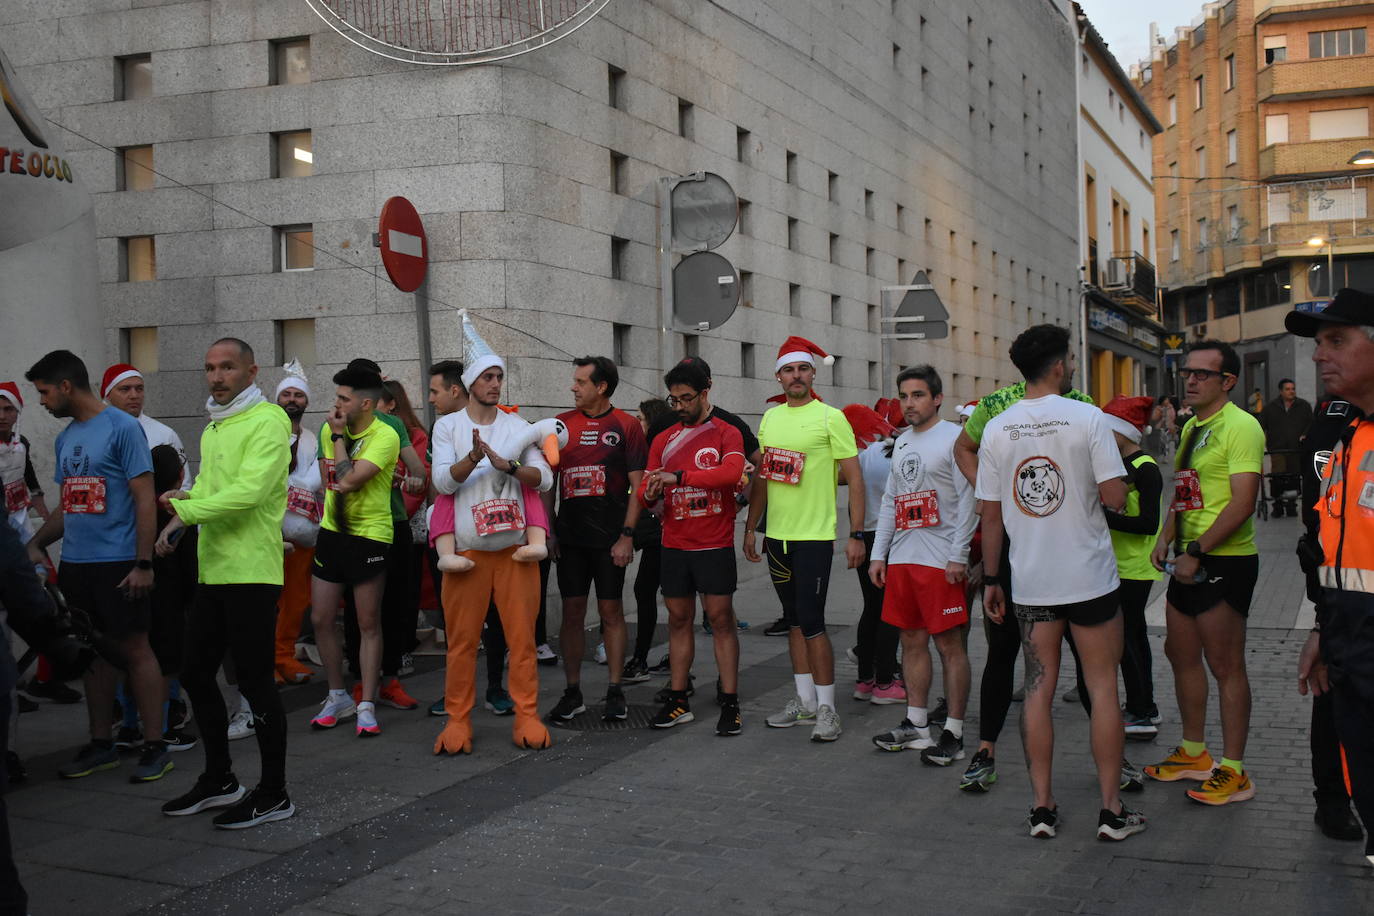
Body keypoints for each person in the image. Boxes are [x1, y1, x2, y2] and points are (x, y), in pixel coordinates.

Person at [976, 324, 1143, 841]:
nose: (1072, 366)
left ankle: (1042, 808)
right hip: (1090, 577)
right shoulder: (1088, 417)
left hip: (1032, 581)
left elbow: (990, 516)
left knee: (1037, 689)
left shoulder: (997, 428)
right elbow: (1114, 497)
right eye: (1070, 359)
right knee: (1103, 688)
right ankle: (1111, 811)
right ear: (1056, 366)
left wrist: (992, 579)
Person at [154, 337, 295, 828]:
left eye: (228, 367)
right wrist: (183, 507)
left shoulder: (268, 420)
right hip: (213, 571)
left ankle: (274, 793)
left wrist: (186, 510)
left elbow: (249, 493)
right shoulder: (216, 424)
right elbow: (213, 491)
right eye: (210, 367)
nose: (216, 376)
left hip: (252, 572)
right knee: (195, 674)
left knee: (255, 683)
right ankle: (219, 779)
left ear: (251, 372)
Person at [23, 350, 169, 783]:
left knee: (136, 650)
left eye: (45, 392)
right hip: (77, 564)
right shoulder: (67, 438)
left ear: (66, 386)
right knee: (94, 655)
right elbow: (69, 505)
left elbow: (145, 500)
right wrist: (35, 543)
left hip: (120, 562)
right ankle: (101, 744)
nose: (42, 402)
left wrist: (144, 563)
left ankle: (155, 745)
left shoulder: (123, 428)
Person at [950, 375, 1097, 792]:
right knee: (1003, 653)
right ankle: (986, 751)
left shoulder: (1081, 403)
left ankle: (1112, 757)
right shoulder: (997, 403)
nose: (1070, 366)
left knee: (1087, 662)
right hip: (1018, 553)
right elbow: (962, 447)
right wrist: (989, 491)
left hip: (1068, 550)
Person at [1144, 340, 1263, 807]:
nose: (1190, 381)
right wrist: (1165, 536)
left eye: (1201, 374)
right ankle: (1194, 753)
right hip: (1187, 558)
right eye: (1187, 373)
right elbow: (1186, 491)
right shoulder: (1193, 425)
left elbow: (1243, 503)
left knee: (1226, 665)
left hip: (1224, 560)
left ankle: (1234, 770)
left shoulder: (1241, 426)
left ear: (1227, 381)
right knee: (1180, 654)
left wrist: (1196, 550)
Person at [430, 316, 552, 754]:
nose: (496, 384)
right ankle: (457, 720)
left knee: (522, 642)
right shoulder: (447, 427)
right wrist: (472, 458)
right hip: (467, 555)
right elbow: (442, 483)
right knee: (462, 645)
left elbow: (544, 479)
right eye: (488, 377)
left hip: (515, 553)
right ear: (469, 383)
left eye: (499, 376)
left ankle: (527, 715)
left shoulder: (518, 426)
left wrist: (509, 466)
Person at [1285, 286, 1374, 865]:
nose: (1319, 355)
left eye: (1337, 340)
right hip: (1348, 644)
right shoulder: (1346, 434)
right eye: (1319, 343)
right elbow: (1336, 548)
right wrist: (1324, 628)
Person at [746, 335, 864, 742]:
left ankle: (828, 709)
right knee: (794, 621)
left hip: (814, 537)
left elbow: (855, 479)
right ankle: (805, 701)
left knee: (813, 622)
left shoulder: (831, 418)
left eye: (802, 369)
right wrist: (750, 528)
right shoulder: (770, 419)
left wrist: (856, 534)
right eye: (788, 370)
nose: (795, 376)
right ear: (778, 377)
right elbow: (764, 478)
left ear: (813, 374)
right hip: (777, 537)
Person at [868, 367, 977, 765]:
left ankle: (954, 732)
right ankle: (916, 725)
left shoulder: (954, 439)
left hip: (940, 560)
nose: (909, 403)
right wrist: (879, 553)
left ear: (937, 398)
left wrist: (959, 554)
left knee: (949, 645)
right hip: (904, 557)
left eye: (917, 395)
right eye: (903, 396)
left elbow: (969, 500)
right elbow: (891, 500)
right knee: (911, 641)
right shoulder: (901, 442)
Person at [638, 360, 747, 734]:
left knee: (720, 619)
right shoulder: (663, 438)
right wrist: (651, 492)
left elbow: (731, 473)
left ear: (705, 392)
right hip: (674, 544)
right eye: (674, 399)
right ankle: (678, 699)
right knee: (678, 620)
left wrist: (680, 477)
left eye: (687, 398)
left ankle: (730, 702)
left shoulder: (727, 432)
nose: (680, 406)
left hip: (714, 543)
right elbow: (646, 489)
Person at [102, 363, 198, 753]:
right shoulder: (98, 433)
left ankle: (164, 714)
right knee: (124, 640)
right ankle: (128, 721)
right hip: (115, 549)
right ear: (107, 394)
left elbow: (184, 487)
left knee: (159, 639)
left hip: (159, 550)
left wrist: (171, 528)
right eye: (125, 389)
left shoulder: (164, 434)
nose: (134, 395)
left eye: (139, 388)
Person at [547, 356, 647, 723]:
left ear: (601, 386)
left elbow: (639, 488)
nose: (573, 387)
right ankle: (572, 692)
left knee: (611, 612)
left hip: (610, 539)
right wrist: (549, 530)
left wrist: (627, 536)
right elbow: (549, 482)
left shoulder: (627, 425)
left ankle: (615, 690)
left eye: (580, 382)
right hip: (571, 538)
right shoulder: (560, 425)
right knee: (572, 613)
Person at [308, 366, 402, 737]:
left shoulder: (385, 434)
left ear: (365, 404)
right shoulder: (329, 429)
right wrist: (334, 437)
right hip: (333, 532)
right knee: (321, 618)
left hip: (369, 535)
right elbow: (327, 479)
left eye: (344, 399)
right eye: (337, 397)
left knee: (367, 622)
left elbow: (346, 481)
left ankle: (367, 703)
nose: (336, 405)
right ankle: (337, 695)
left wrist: (337, 437)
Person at [337, 359, 425, 715]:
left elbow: (417, 469)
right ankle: (361, 681)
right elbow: (335, 477)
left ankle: (389, 680)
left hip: (394, 522)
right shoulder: (337, 427)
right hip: (355, 527)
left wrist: (412, 478)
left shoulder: (392, 424)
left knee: (397, 605)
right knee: (358, 610)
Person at [1295, 391, 1364, 842]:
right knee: (1333, 698)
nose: (1322, 358)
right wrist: (1322, 617)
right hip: (1346, 604)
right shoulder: (1335, 419)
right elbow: (1320, 519)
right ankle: (1333, 800)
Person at [1098, 396, 1164, 739]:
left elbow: (1149, 524)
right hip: (1117, 565)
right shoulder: (1117, 465)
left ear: (1125, 432)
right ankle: (1144, 705)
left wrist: (1103, 518)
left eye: (1108, 430)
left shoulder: (1146, 467)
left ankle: (1141, 710)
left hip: (1136, 568)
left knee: (1128, 640)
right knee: (1132, 637)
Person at [844, 404, 904, 707]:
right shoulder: (898, 452)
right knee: (890, 611)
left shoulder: (865, 454)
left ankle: (865, 680)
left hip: (865, 535)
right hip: (892, 537)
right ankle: (885, 682)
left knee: (871, 608)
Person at [274, 366, 321, 687]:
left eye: (298, 395)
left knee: (296, 600)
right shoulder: (265, 432)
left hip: (304, 532)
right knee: (267, 600)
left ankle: (285, 656)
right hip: (268, 531)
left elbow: (319, 479)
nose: (292, 400)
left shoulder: (312, 438)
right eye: (287, 394)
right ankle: (265, 660)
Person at [626, 397, 675, 682]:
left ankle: (643, 658)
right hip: (654, 536)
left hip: (665, 536)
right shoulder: (644, 449)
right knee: (652, 593)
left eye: (640, 418)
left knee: (652, 592)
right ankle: (654, 657)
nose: (637, 423)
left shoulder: (659, 450)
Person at [1258, 378, 1313, 517]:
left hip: (1296, 448)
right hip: (1277, 448)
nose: (1291, 391)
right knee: (1278, 476)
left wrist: (1305, 434)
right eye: (1288, 389)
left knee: (1294, 476)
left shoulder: (1304, 406)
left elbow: (1311, 423)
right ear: (1281, 391)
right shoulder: (1270, 408)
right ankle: (1277, 505)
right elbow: (1260, 426)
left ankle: (1291, 505)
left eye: (1293, 389)